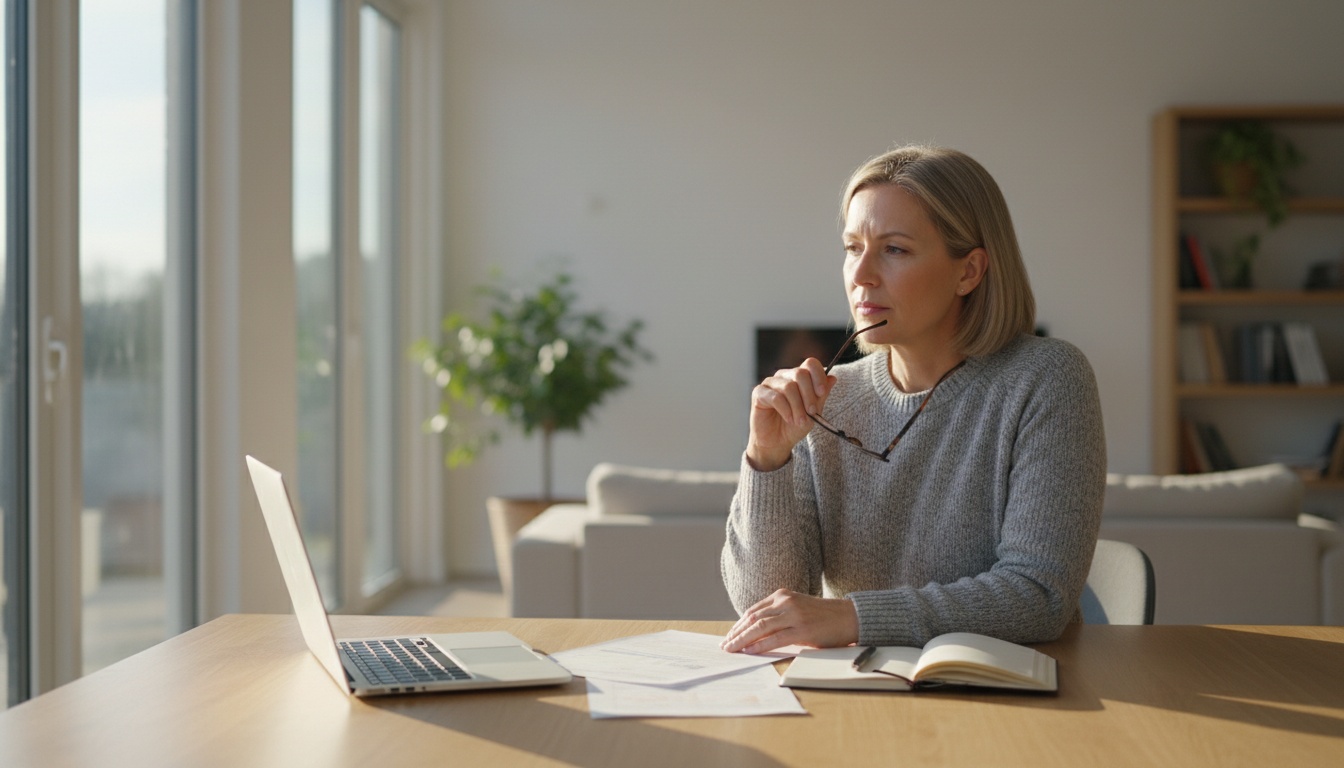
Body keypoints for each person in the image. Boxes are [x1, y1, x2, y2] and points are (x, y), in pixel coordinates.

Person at [720, 145, 1106, 655]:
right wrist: (766, 460)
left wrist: (855, 617)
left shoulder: (1047, 379)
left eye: (894, 249)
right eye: (852, 247)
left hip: (1008, 697)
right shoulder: (830, 397)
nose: (860, 276)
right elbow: (765, 610)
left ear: (968, 272)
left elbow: (1037, 596)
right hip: (860, 692)